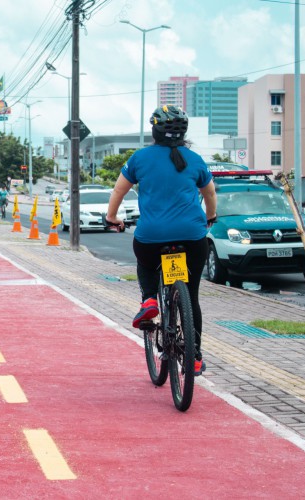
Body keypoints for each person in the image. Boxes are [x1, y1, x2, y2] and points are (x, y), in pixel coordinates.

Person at [105, 105, 217, 376]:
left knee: (145, 263)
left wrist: (112, 218)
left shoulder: (140, 158)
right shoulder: (195, 159)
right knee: (191, 297)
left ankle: (149, 300)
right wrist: (210, 217)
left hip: (152, 237)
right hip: (192, 237)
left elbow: (119, 190)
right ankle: (196, 356)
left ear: (154, 131)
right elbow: (210, 195)